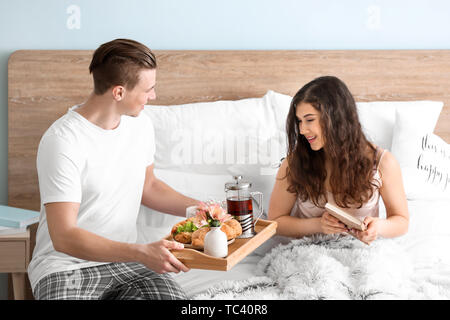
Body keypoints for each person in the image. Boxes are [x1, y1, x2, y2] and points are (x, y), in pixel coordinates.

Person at [28, 39, 200, 300]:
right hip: (66, 269)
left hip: (130, 266)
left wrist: (198, 209)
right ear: (119, 93)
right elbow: (64, 237)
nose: (153, 96)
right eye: (148, 89)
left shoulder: (141, 126)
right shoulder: (63, 141)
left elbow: (148, 186)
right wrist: (140, 252)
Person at [268, 76, 409, 244]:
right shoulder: (294, 163)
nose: (302, 130)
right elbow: (275, 222)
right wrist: (318, 225)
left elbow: (401, 221)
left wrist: (378, 227)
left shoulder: (382, 162)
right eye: (299, 121)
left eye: (309, 120)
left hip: (360, 253)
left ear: (336, 118)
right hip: (308, 254)